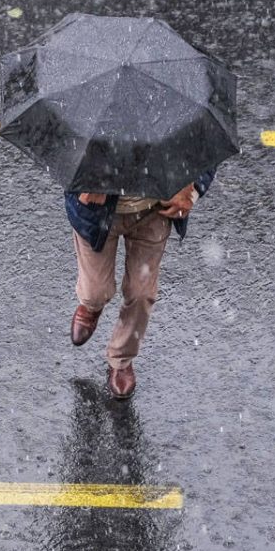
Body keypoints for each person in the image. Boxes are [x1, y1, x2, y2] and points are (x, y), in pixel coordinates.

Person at [64, 168, 217, 399]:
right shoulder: (91, 130)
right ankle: (92, 306)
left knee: (142, 293)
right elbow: (59, 145)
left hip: (155, 213)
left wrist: (192, 188)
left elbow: (206, 142)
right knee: (95, 292)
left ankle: (121, 359)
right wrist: (84, 179)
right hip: (96, 210)